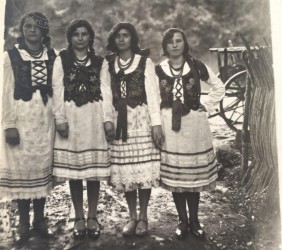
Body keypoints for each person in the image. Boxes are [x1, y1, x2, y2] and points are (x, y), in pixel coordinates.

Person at [155, 28, 225, 239]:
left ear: (185, 44)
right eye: (171, 42)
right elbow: (152, 98)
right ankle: (182, 220)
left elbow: (218, 86)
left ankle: (194, 220)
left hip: (194, 125)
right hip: (170, 126)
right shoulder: (159, 70)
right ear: (165, 46)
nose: (175, 45)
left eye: (179, 41)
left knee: (192, 176)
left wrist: (206, 105)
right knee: (178, 175)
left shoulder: (196, 66)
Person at [52, 19, 114, 240]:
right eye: (76, 34)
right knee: (75, 172)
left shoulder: (100, 62)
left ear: (90, 37)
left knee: (93, 172)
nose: (80, 38)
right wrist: (59, 119)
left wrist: (108, 119)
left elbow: (106, 90)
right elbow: (57, 90)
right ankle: (78, 216)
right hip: (71, 118)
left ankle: (92, 216)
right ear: (70, 38)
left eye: (84, 34)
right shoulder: (62, 59)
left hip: (94, 118)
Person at [0, 11, 56, 243]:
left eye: (36, 26)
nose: (31, 30)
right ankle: (23, 220)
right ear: (22, 30)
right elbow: (4, 93)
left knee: (41, 166)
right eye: (27, 26)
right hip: (21, 118)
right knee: (22, 169)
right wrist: (9, 124)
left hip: (45, 119)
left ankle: (39, 218)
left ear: (44, 31)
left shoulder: (53, 56)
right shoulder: (10, 56)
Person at [106, 22, 164, 237]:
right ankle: (131, 216)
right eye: (118, 36)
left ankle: (144, 215)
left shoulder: (144, 62)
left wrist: (156, 124)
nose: (122, 39)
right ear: (114, 39)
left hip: (141, 119)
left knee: (143, 167)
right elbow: (105, 95)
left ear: (132, 39)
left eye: (126, 35)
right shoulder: (108, 64)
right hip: (119, 121)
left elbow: (152, 95)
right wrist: (106, 119)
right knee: (127, 171)